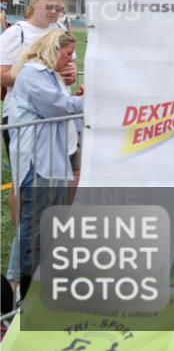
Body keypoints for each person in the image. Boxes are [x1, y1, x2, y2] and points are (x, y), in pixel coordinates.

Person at [6, 30, 84, 297]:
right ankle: (22, 286)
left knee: (46, 225)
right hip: (37, 161)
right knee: (33, 226)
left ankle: (34, 281)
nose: (71, 59)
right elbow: (57, 107)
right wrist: (86, 101)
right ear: (54, 49)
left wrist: (77, 100)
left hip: (51, 159)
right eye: (68, 53)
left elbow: (65, 105)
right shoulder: (32, 73)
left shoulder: (48, 75)